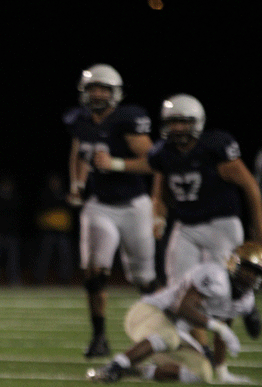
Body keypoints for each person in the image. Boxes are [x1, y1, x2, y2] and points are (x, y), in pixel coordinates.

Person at [147, 94, 262, 382]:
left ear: (197, 123)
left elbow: (250, 186)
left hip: (222, 225)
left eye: (183, 122)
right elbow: (160, 188)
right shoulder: (162, 153)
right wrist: (158, 215)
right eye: (172, 122)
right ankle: (203, 356)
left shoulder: (215, 148)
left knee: (225, 294)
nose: (177, 129)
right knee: (180, 291)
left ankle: (222, 366)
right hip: (186, 225)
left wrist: (258, 230)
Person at [63, 63, 156, 358]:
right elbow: (79, 151)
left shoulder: (127, 121)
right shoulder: (80, 120)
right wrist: (77, 184)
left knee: (144, 278)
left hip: (134, 206)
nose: (99, 94)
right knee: (94, 273)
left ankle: (160, 332)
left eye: (104, 89)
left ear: (115, 93)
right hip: (99, 205)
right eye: (93, 88)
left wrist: (116, 164)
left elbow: (154, 162)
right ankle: (99, 337)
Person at [88, 241, 262, 384]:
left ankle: (134, 371)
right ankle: (113, 368)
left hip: (175, 332)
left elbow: (223, 330)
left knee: (202, 373)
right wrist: (218, 327)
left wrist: (222, 371)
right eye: (247, 270)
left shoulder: (245, 300)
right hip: (149, 313)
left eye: (255, 274)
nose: (250, 277)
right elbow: (184, 308)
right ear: (233, 265)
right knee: (169, 336)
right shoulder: (215, 276)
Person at [34, 172, 75, 284]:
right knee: (44, 256)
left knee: (65, 256)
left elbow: (73, 203)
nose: (55, 183)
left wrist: (64, 199)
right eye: (53, 181)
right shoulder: (45, 193)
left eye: (57, 181)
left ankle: (65, 279)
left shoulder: (65, 193)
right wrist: (62, 200)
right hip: (48, 230)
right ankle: (39, 279)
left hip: (62, 230)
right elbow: (46, 204)